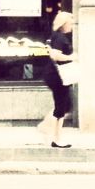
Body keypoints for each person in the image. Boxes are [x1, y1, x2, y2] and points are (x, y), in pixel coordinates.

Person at [37, 9, 75, 148]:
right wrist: (72, 57)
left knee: (64, 106)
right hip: (57, 76)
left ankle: (51, 132)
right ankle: (55, 137)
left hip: (55, 75)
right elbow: (55, 56)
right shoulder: (60, 38)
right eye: (70, 22)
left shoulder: (56, 36)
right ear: (64, 24)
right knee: (61, 107)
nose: (72, 25)